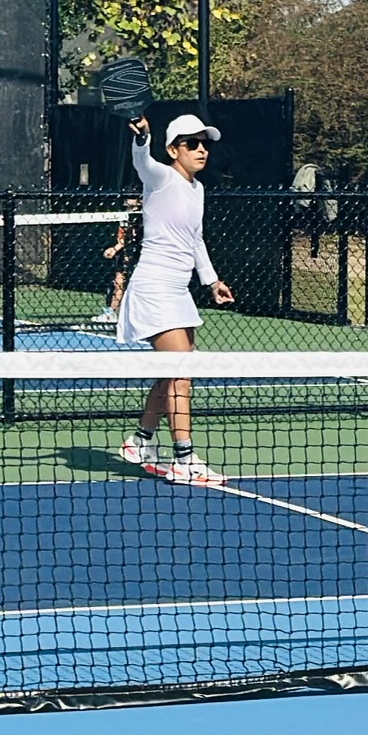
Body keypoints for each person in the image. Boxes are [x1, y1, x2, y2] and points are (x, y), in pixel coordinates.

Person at [118, 113, 235, 485]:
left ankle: (140, 442)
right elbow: (143, 162)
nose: (201, 149)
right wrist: (142, 139)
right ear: (173, 149)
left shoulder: (197, 189)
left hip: (179, 291)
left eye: (205, 143)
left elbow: (195, 239)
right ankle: (184, 458)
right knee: (181, 376)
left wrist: (212, 280)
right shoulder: (162, 177)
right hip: (153, 289)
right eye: (192, 143)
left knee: (174, 373)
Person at [91, 196, 142, 326]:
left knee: (132, 284)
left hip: (136, 253)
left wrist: (115, 249)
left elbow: (131, 238)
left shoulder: (140, 217)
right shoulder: (124, 214)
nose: (127, 199)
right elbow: (122, 237)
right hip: (125, 253)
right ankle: (111, 313)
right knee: (118, 282)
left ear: (139, 200)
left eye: (131, 197)